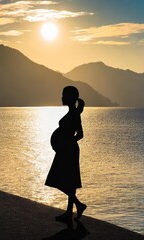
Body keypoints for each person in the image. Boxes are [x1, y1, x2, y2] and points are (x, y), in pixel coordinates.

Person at [45, 86, 87, 227]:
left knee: (59, 179)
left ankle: (76, 207)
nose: (62, 97)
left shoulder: (75, 114)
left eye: (64, 95)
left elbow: (80, 134)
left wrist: (67, 142)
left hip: (69, 150)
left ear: (70, 97)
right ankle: (71, 211)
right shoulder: (73, 112)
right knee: (66, 180)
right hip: (65, 149)